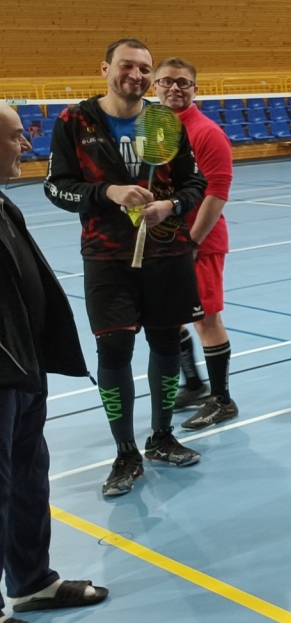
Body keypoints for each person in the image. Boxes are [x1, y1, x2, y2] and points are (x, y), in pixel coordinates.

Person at [44, 39, 208, 498]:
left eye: (144, 68)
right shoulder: (74, 121)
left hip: (167, 255)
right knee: (114, 351)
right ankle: (125, 451)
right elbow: (56, 188)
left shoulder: (164, 121)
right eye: (126, 66)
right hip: (106, 258)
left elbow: (195, 183)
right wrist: (108, 193)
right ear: (105, 69)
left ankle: (161, 436)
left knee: (167, 345)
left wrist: (171, 205)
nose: (135, 75)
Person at [1, 103, 109, 623]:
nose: (26, 145)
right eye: (16, 136)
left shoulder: (3, 202)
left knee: (27, 478)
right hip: (3, 373)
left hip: (23, 369)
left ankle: (32, 583)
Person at [154, 59, 241, 430]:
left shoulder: (206, 132)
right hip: (164, 241)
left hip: (198, 242)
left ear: (195, 89)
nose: (175, 88)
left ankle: (222, 400)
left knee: (206, 319)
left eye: (183, 82)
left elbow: (217, 193)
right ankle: (192, 385)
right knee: (169, 318)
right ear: (155, 86)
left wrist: (192, 241)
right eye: (167, 81)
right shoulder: (155, 128)